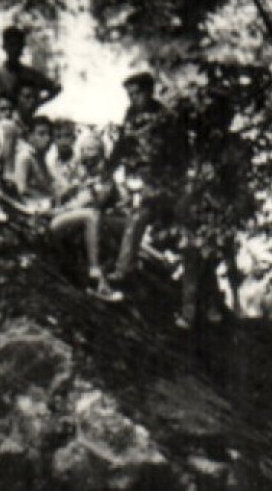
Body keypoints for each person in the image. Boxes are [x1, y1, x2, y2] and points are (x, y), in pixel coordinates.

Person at [174, 89, 251, 329]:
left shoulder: (233, 147)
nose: (214, 121)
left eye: (220, 115)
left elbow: (239, 182)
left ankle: (230, 305)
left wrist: (233, 209)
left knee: (223, 257)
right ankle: (195, 310)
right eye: (211, 116)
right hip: (199, 207)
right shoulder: (200, 145)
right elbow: (191, 179)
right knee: (193, 255)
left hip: (222, 209)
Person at [105, 70, 189, 285]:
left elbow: (181, 154)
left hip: (163, 183)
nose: (133, 99)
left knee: (142, 215)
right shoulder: (131, 114)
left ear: (149, 92)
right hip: (138, 180)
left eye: (137, 94)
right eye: (130, 95)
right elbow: (122, 146)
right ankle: (128, 265)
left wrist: (168, 182)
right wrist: (108, 169)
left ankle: (123, 270)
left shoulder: (166, 118)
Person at [48, 132, 124, 301]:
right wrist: (69, 190)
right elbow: (59, 196)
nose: (88, 154)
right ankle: (95, 272)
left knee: (103, 228)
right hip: (59, 219)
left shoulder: (104, 178)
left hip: (81, 222)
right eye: (86, 149)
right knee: (92, 216)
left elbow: (101, 200)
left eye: (93, 150)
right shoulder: (73, 170)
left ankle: (101, 285)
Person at [0, 26, 62, 107]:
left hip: (27, 117)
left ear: (23, 47)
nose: (15, 49)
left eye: (19, 45)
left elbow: (56, 88)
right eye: (12, 45)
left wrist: (38, 104)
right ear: (4, 47)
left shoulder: (31, 74)